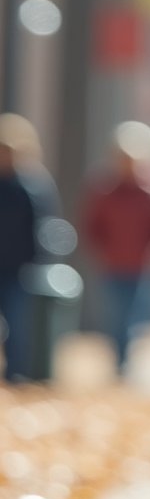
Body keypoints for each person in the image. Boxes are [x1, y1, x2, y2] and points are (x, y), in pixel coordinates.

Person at [80, 121, 150, 375]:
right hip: (113, 264)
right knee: (115, 315)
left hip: (146, 266)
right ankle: (119, 359)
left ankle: (127, 357)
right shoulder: (103, 186)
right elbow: (92, 224)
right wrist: (101, 251)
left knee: (137, 316)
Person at [0, 117, 40, 381]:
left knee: (17, 323)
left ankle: (16, 373)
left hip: (18, 268)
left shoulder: (31, 186)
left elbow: (43, 228)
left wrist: (36, 261)